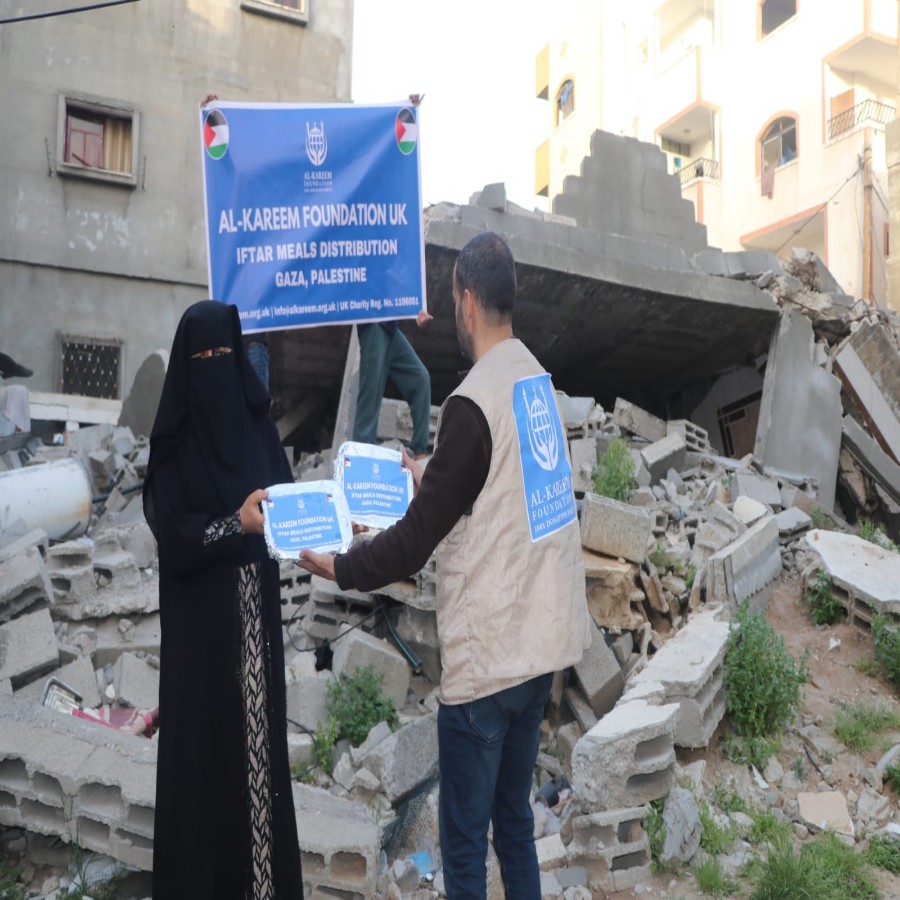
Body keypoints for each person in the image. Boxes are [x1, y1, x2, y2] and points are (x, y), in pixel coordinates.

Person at [300, 232, 592, 898]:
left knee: (463, 847)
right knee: (513, 822)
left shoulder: (470, 401)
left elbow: (412, 541)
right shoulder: (535, 384)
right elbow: (509, 482)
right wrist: (432, 469)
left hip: (488, 664)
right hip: (539, 655)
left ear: (464, 299)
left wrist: (340, 568)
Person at [143, 301, 302, 899]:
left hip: (255, 641)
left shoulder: (257, 428)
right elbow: (174, 533)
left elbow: (289, 507)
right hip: (198, 648)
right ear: (187, 367)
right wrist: (233, 525)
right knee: (201, 773)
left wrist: (343, 525)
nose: (214, 367)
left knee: (257, 775)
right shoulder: (174, 449)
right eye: (202, 358)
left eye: (223, 356)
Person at [200, 93, 270, 392]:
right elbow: (223, 168)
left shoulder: (270, 232)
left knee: (255, 424)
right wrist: (210, 113)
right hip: (228, 346)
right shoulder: (229, 226)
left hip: (254, 342)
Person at [353, 310, 432, 457]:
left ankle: (420, 451)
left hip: (390, 328)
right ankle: (360, 459)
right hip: (373, 323)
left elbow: (398, 288)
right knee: (370, 398)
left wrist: (416, 309)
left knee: (421, 378)